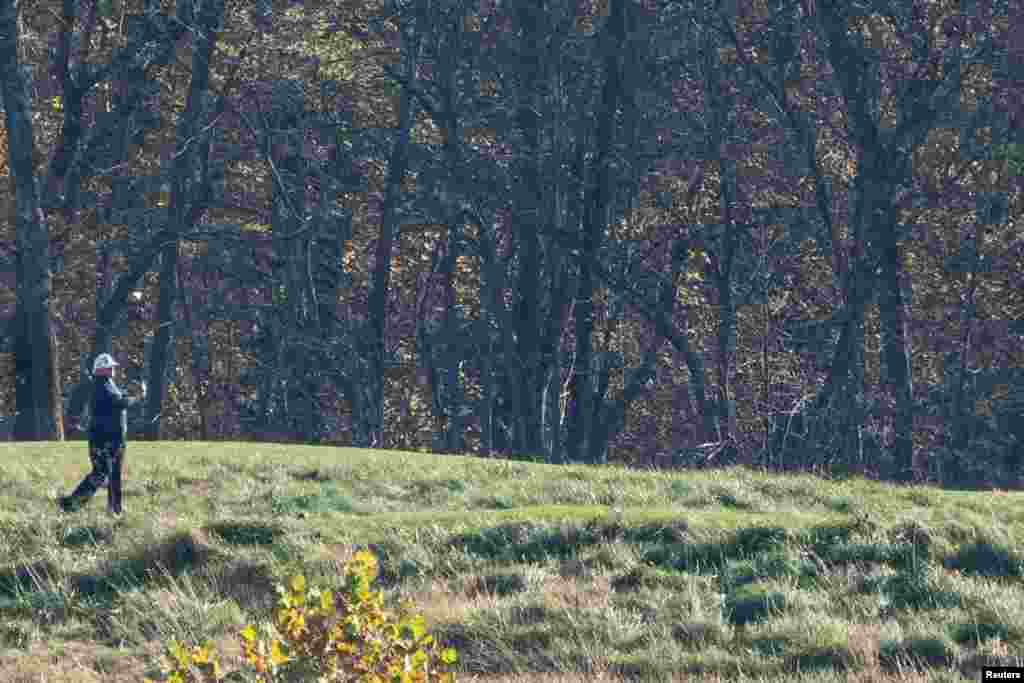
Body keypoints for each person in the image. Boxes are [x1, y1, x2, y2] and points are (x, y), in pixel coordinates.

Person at [57, 353, 147, 516]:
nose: (114, 369)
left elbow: (118, 398)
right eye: (110, 367)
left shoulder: (107, 384)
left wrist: (128, 394)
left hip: (113, 439)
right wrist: (137, 396)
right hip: (105, 440)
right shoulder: (101, 385)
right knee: (101, 473)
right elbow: (119, 403)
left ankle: (115, 509)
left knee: (113, 474)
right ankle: (71, 505)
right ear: (102, 369)